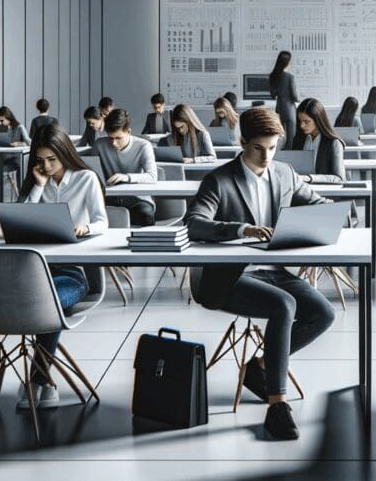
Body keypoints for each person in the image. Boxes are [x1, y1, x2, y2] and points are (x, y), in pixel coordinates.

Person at [185, 108, 345, 441]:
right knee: (284, 305)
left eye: (273, 148)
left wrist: (335, 215)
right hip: (229, 277)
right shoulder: (220, 179)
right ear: (243, 141)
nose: (267, 156)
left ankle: (258, 368)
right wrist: (243, 229)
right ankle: (277, 406)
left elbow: (315, 202)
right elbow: (196, 223)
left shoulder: (285, 174)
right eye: (259, 148)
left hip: (274, 270)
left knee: (323, 313)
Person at [18, 124, 106, 409]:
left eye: (52, 160)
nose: (45, 166)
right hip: (33, 270)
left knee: (49, 302)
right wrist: (38, 187)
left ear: (64, 153)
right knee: (44, 301)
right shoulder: (37, 181)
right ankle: (44, 380)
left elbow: (103, 222)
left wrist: (86, 227)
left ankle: (38, 379)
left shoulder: (86, 179)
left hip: (71, 272)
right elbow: (19, 222)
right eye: (40, 160)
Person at [96, 108, 159, 227]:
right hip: (109, 198)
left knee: (145, 215)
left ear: (129, 131)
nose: (114, 143)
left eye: (118, 138)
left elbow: (152, 176)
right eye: (110, 138)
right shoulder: (99, 145)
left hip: (138, 199)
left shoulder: (144, 146)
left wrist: (126, 177)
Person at [292, 98, 346, 184]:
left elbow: (339, 178)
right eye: (300, 121)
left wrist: (308, 178)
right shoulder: (299, 140)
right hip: (300, 192)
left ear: (318, 120)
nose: (302, 125)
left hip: (324, 193)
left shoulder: (334, 143)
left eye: (306, 121)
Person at [269, 51, 301, 146]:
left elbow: (272, 95)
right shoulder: (290, 77)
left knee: (280, 137)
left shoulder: (273, 75)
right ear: (287, 62)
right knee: (291, 138)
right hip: (290, 109)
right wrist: (299, 99)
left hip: (279, 109)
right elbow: (295, 97)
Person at [0, 106, 31, 181]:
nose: (1, 123)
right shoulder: (0, 128)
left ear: (8, 117)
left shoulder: (19, 127)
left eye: (2, 120)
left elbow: (29, 143)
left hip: (15, 158)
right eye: (0, 121)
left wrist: (18, 144)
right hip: (3, 157)